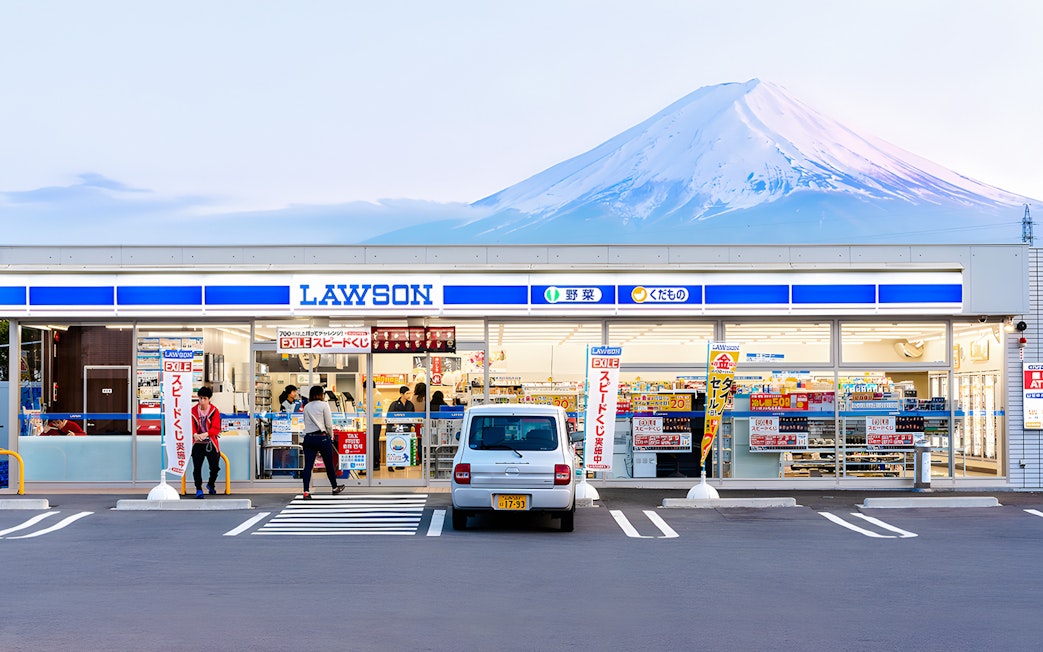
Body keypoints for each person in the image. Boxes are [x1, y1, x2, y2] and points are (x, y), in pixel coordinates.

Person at [301, 385, 346, 499]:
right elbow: (329, 424)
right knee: (329, 464)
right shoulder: (324, 405)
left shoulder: (306, 406)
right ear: (321, 394)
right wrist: (330, 436)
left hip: (309, 438)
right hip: (322, 437)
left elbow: (305, 422)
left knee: (308, 466)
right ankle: (334, 488)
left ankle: (306, 491)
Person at [191, 386, 222, 498]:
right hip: (197, 444)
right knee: (197, 468)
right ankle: (198, 489)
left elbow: (216, 428)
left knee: (215, 467)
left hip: (210, 443)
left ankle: (210, 484)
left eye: (205, 398)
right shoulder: (193, 411)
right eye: (200, 398)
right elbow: (191, 426)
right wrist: (195, 434)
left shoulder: (214, 411)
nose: (202, 401)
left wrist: (206, 434)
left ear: (209, 399)